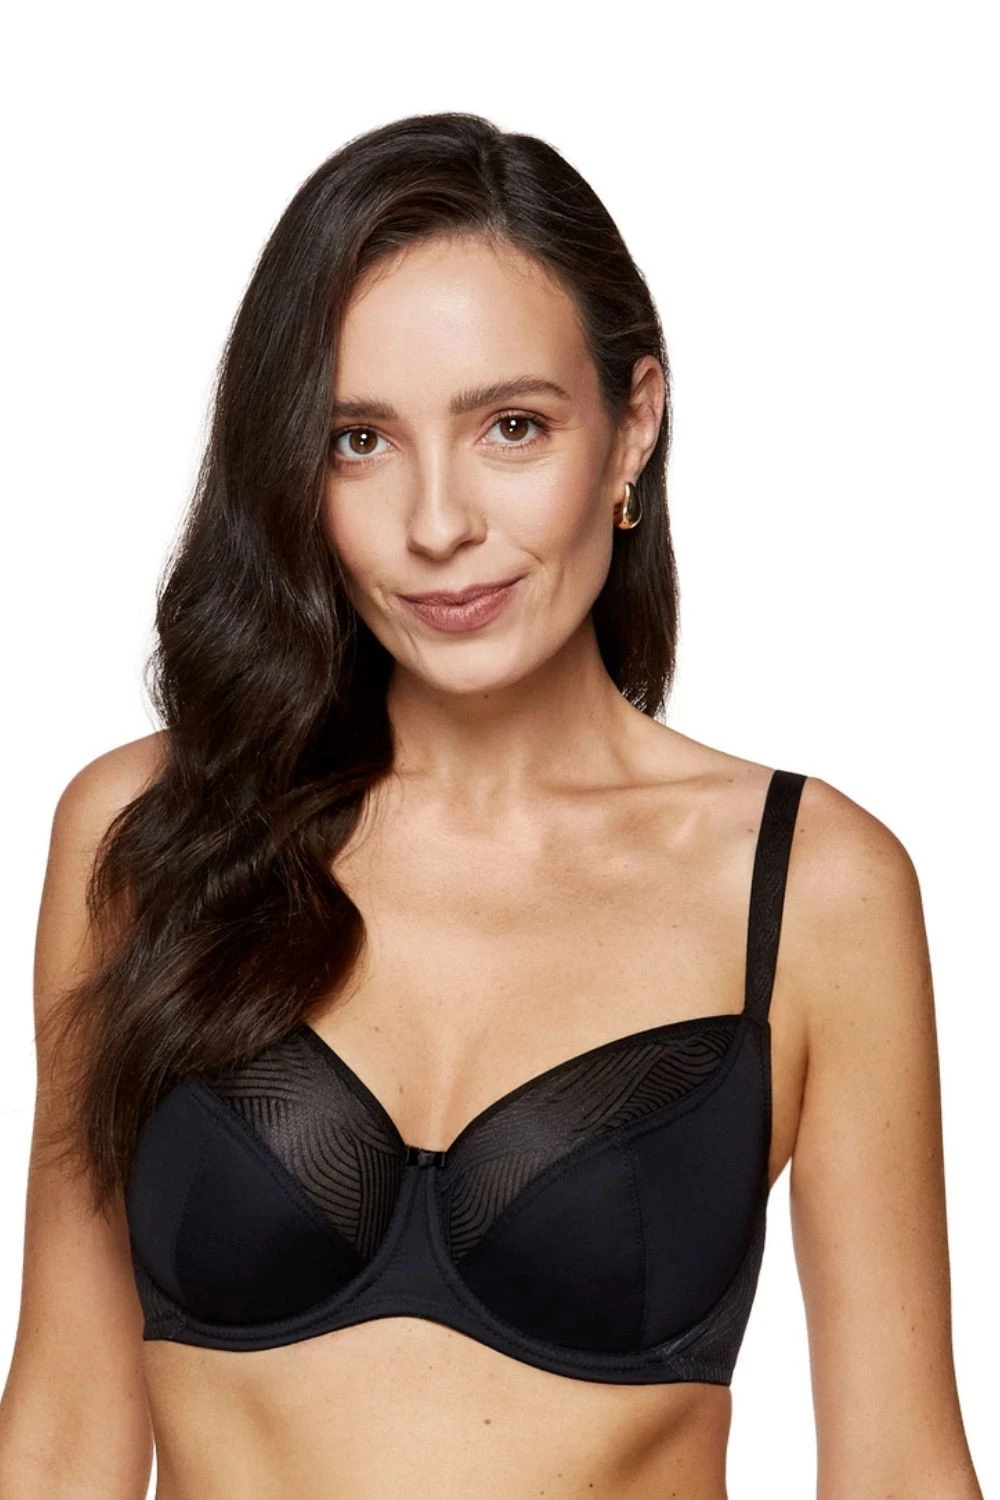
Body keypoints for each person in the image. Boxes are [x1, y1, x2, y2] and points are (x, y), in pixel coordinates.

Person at [0, 111, 983, 1500]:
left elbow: (897, 1468)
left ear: (633, 425)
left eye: (511, 427)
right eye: (359, 441)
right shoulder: (151, 835)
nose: (438, 524)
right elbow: (61, 1435)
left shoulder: (810, 887)